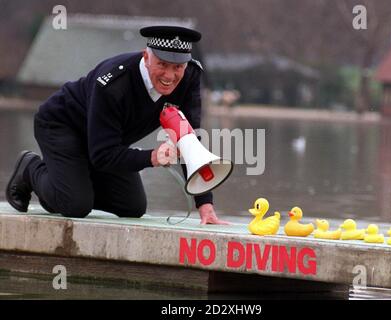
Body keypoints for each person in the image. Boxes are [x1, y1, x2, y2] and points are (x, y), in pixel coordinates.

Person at [5, 25, 229, 225]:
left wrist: (205, 204)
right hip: (63, 126)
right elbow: (102, 155)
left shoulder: (189, 76)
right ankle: (30, 167)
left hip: (108, 141)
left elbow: (191, 143)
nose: (170, 75)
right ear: (146, 56)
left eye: (178, 67)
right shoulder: (113, 83)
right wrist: (152, 157)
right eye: (162, 64)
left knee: (132, 207)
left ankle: (67, 189)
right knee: (76, 206)